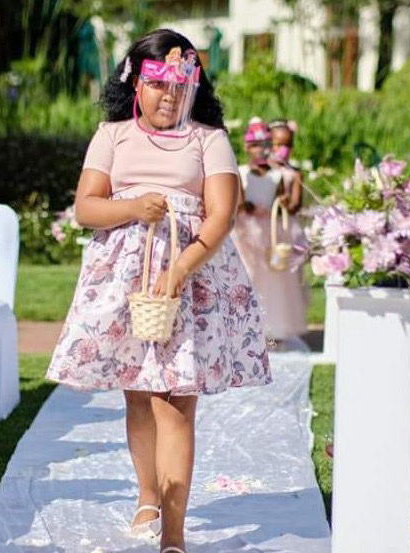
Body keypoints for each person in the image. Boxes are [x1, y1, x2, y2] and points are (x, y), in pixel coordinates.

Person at [45, 29, 272, 553]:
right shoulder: (112, 135)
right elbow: (86, 207)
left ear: (194, 86)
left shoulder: (209, 139)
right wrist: (132, 206)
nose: (169, 95)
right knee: (140, 396)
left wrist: (180, 269)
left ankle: (174, 532)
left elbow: (221, 216)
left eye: (180, 85)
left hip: (191, 281)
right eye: (158, 84)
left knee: (175, 404)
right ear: (136, 83)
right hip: (125, 280)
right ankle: (148, 493)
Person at [232, 118, 307, 344]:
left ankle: (273, 326)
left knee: (273, 279)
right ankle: (242, 323)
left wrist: (281, 202)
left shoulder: (280, 175)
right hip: (246, 233)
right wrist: (245, 206)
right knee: (248, 275)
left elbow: (286, 203)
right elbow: (237, 201)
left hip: (270, 232)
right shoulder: (241, 172)